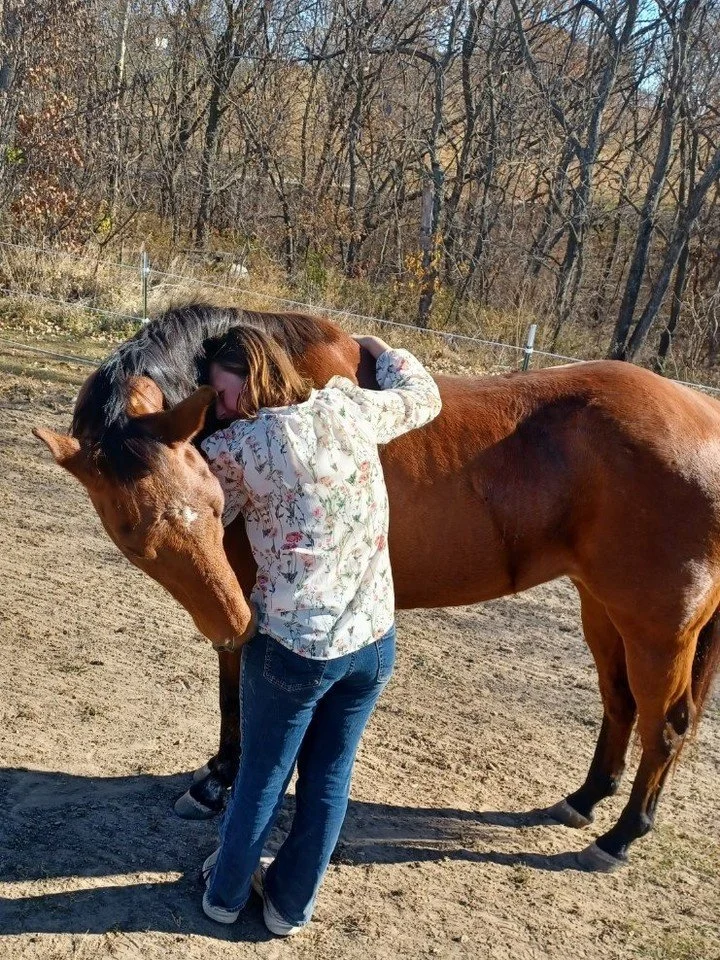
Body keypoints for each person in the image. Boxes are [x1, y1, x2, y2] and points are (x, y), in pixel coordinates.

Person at [199, 325, 441, 936]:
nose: (218, 408)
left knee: (261, 775)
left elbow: (197, 518)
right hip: (373, 640)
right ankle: (288, 908)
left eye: (223, 394)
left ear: (253, 380)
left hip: (292, 646)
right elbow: (424, 397)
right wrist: (384, 352)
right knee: (330, 777)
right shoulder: (347, 405)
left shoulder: (237, 449)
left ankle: (223, 896)